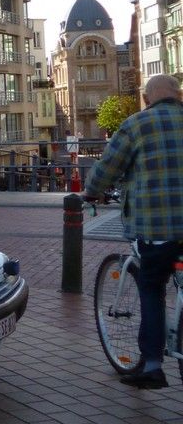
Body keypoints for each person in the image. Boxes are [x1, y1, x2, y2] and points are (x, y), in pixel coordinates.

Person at [84, 73, 183, 389]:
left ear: (147, 98)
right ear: (178, 95)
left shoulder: (136, 125)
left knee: (151, 288)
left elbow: (108, 166)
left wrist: (92, 191)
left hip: (157, 228)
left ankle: (152, 366)